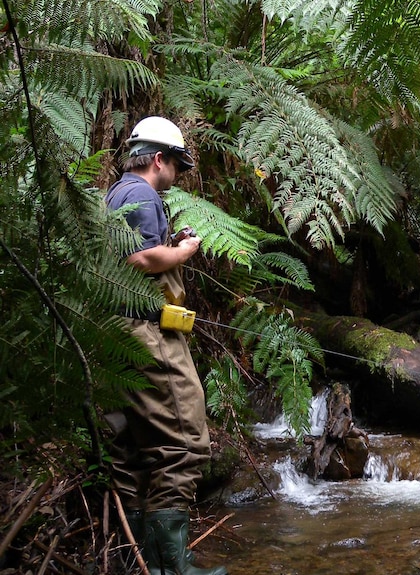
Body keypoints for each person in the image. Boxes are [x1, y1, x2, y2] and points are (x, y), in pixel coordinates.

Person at [105, 116, 227, 575]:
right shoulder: (140, 193)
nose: (177, 173)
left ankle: (142, 564)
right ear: (159, 159)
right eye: (176, 163)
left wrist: (167, 244)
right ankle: (175, 568)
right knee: (183, 443)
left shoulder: (116, 194)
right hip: (147, 334)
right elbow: (140, 259)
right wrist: (183, 251)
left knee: (134, 449)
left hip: (117, 333)